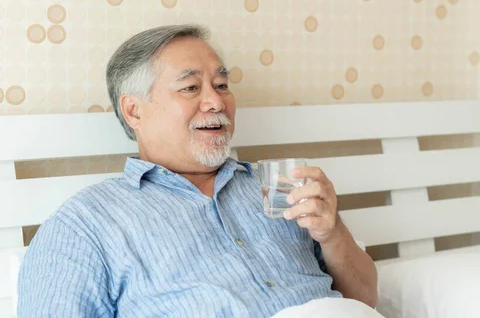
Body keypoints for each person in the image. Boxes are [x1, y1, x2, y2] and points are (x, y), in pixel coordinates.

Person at [17, 24, 378, 317]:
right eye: (191, 87)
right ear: (134, 111)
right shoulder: (85, 225)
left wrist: (332, 234)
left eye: (222, 86)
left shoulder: (279, 189)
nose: (217, 101)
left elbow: (365, 300)